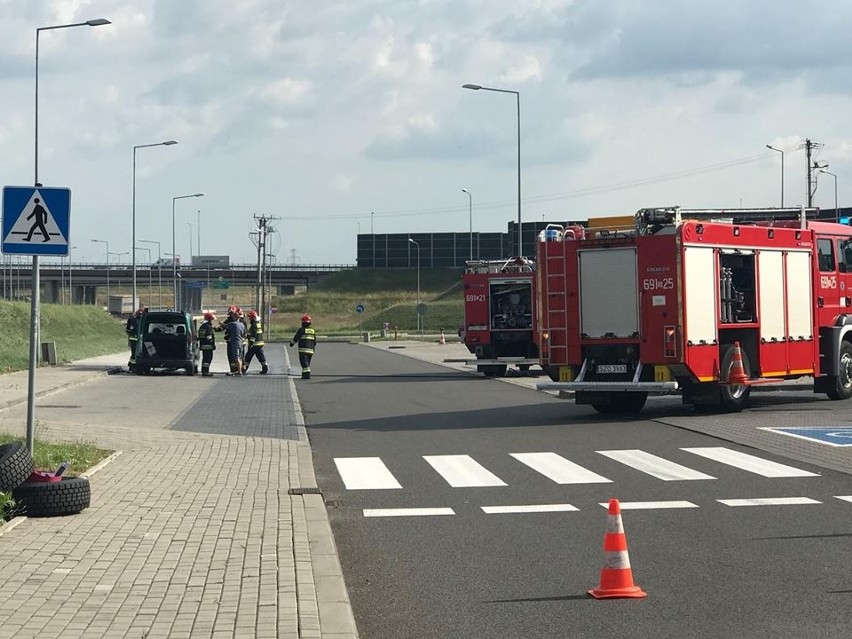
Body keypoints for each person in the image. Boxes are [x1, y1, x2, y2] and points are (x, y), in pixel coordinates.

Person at [289, 313, 316, 379]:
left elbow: (296, 338)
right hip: (311, 350)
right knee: (307, 363)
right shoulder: (312, 330)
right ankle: (304, 374)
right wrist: (313, 348)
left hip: (303, 350)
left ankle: (307, 374)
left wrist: (291, 344)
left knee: (304, 363)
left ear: (304, 322)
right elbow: (315, 340)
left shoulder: (301, 330)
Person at [222, 307, 246, 376]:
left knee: (235, 357)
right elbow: (244, 333)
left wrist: (220, 324)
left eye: (232, 314)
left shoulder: (233, 324)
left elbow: (224, 326)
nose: (231, 315)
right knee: (240, 357)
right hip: (241, 342)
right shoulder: (242, 324)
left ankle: (238, 371)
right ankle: (239, 370)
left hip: (234, 342)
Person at [244, 309, 268, 374]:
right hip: (259, 343)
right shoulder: (257, 323)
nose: (249, 319)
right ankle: (265, 368)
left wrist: (251, 342)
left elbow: (254, 334)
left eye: (249, 317)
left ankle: (244, 368)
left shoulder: (254, 324)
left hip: (255, 344)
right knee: (260, 356)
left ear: (252, 317)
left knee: (248, 356)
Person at [125, 306, 145, 371]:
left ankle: (131, 365)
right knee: (135, 353)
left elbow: (128, 330)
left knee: (134, 353)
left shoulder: (132, 319)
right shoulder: (142, 320)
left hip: (134, 338)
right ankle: (132, 366)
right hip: (137, 339)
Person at [198, 311, 217, 376]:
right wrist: (213, 344)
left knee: (205, 359)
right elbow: (209, 337)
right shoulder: (208, 327)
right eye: (211, 319)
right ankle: (205, 372)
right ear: (209, 319)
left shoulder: (202, 326)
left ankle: (204, 371)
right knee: (208, 359)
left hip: (203, 345)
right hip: (208, 346)